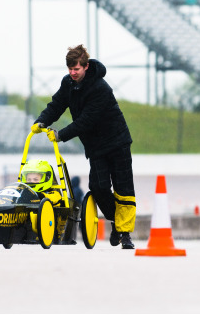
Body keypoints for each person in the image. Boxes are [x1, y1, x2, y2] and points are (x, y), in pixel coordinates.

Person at [31, 44, 136, 249]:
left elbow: (87, 120)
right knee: (98, 187)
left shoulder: (100, 88)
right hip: (96, 146)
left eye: (76, 69)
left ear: (86, 66)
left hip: (117, 142)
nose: (72, 73)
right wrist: (41, 121)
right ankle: (117, 223)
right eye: (70, 69)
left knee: (123, 189)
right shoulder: (68, 83)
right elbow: (57, 104)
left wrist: (60, 135)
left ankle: (125, 234)